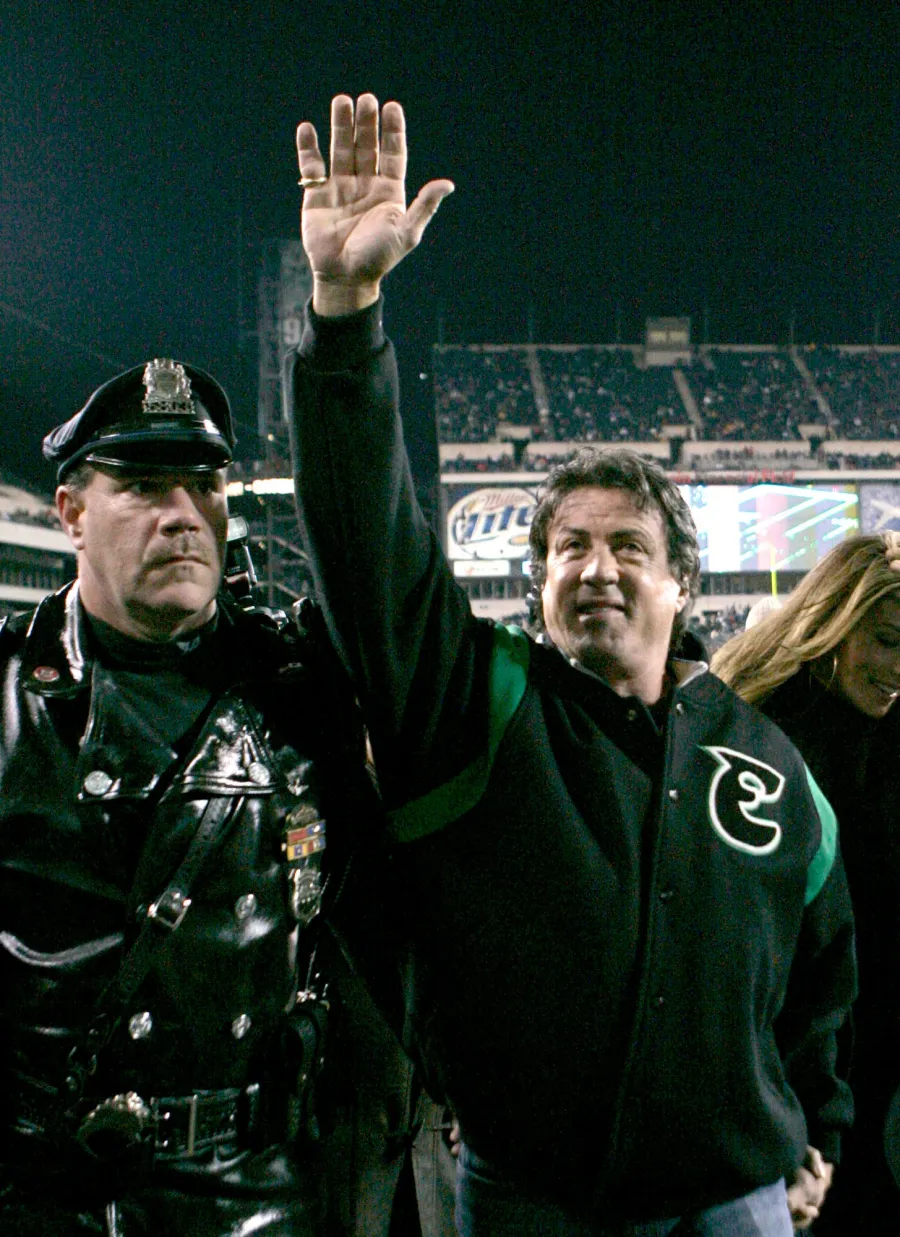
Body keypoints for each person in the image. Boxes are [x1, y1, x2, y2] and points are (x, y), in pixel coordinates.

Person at [286, 93, 856, 1236]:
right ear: (536, 582)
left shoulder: (771, 766)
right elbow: (368, 554)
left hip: (738, 1198)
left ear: (682, 584)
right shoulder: (480, 701)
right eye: (568, 548)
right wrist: (346, 317)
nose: (597, 568)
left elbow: (820, 980)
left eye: (628, 548)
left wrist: (820, 1129)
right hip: (531, 1200)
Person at [0, 357, 377, 1235]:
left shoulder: (302, 687)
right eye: (141, 486)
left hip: (259, 1195)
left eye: (205, 485)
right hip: (43, 1198)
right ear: (71, 513)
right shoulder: (7, 694)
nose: (183, 514)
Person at [712, 533, 900, 1233]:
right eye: (885, 641)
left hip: (871, 1052)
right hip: (791, 1062)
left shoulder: (882, 726)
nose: (897, 668)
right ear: (835, 620)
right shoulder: (759, 738)